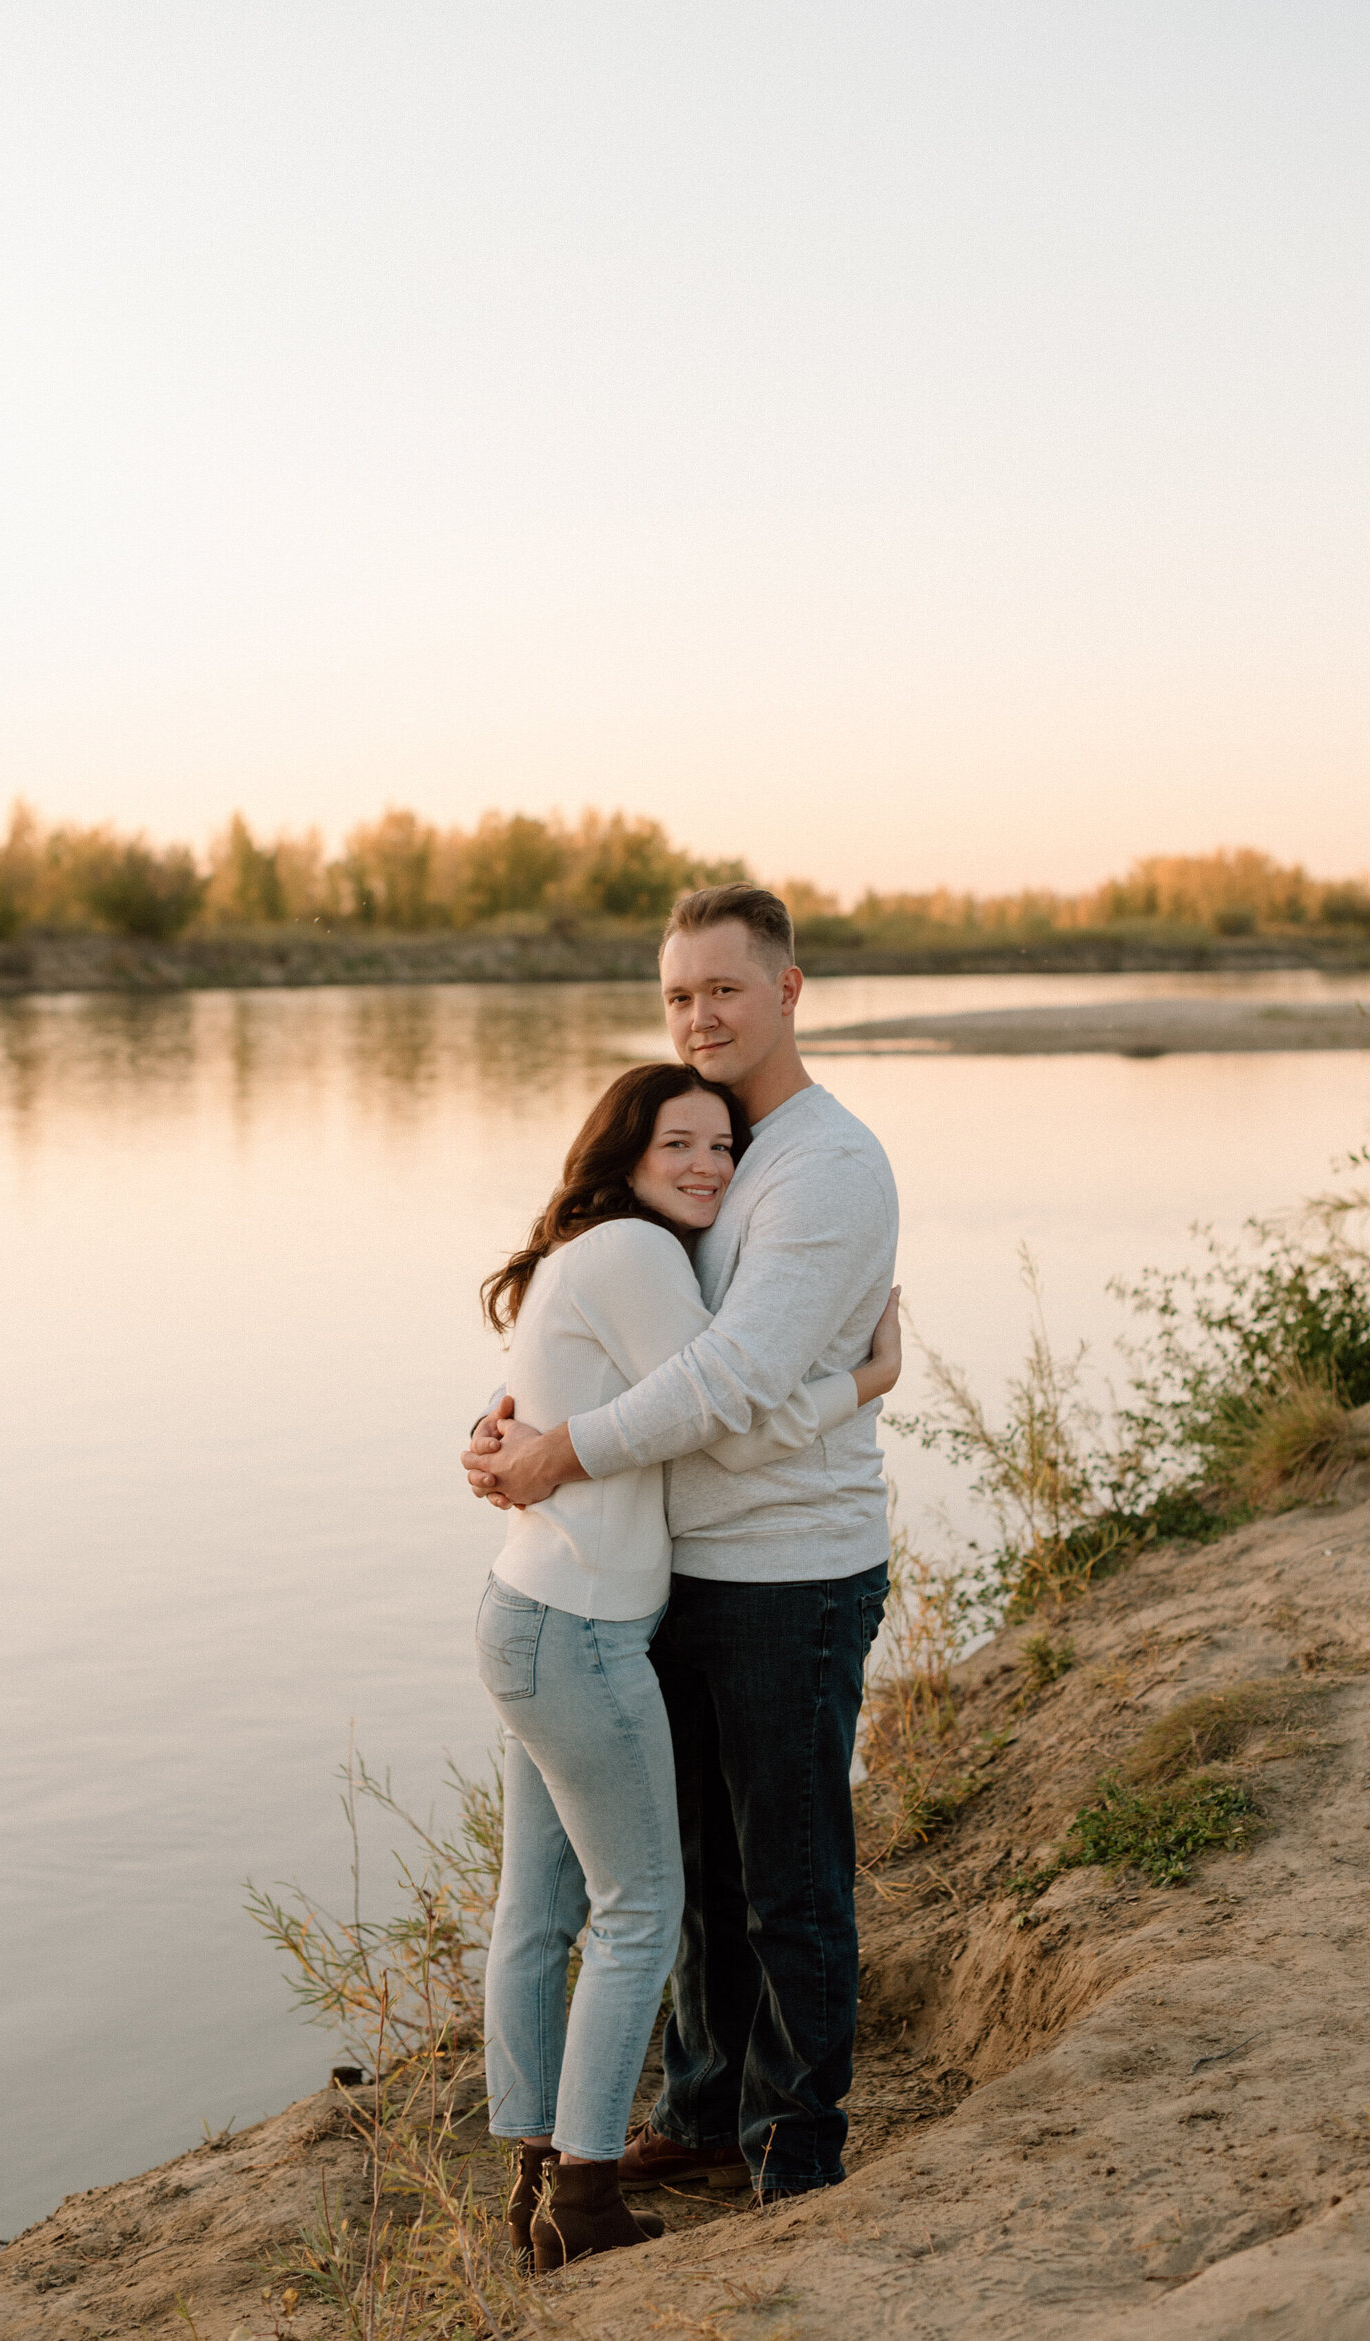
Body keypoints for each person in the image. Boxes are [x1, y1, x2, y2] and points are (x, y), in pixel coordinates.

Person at [466, 883, 899, 2203]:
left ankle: (793, 2145)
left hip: (790, 1568)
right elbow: (619, 1344)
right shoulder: (704, 1145)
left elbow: (732, 1389)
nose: (701, 1012)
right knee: (697, 1877)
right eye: (678, 992)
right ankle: (705, 2111)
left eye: (724, 985)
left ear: (789, 988)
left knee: (788, 1879)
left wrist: (558, 1451)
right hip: (681, 1571)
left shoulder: (823, 1164)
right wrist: (518, 1427)